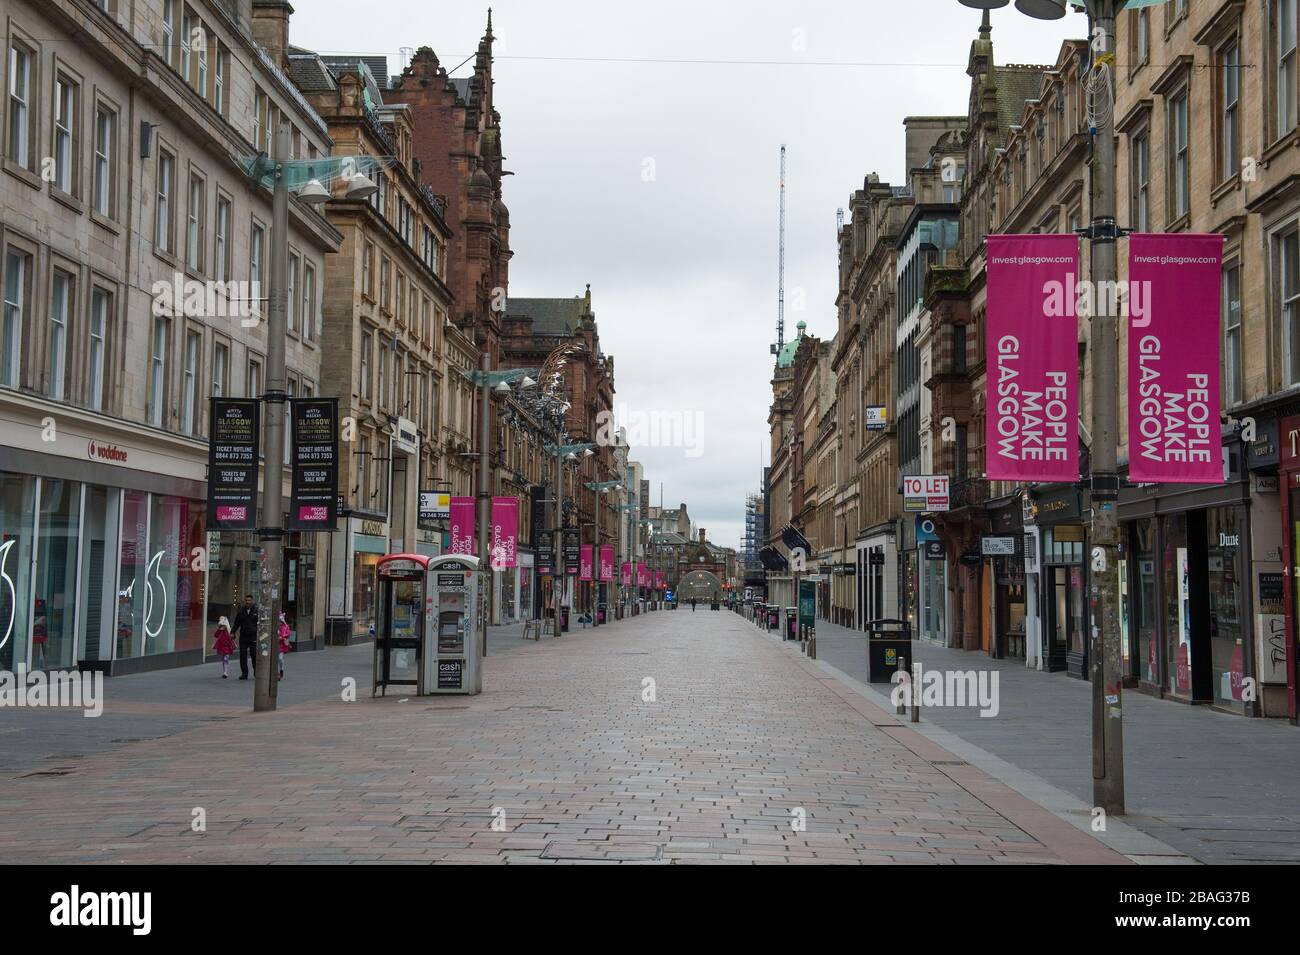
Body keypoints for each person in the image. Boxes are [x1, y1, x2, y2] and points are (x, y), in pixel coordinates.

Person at [232, 595, 258, 680]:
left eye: (249, 600)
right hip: (243, 636)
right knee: (243, 655)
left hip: (253, 636)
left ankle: (256, 672)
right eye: (246, 600)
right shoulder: (241, 611)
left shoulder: (256, 611)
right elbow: (236, 623)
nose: (248, 602)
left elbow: (261, 624)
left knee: (254, 654)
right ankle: (244, 673)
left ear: (252, 601)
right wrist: (232, 632)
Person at [277, 612, 291, 680]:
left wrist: (282, 637)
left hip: (281, 645)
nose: (279, 623)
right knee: (275, 660)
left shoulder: (286, 627)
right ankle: (276, 673)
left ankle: (281, 669)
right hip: (274, 645)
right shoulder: (275, 627)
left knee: (280, 658)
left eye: (280, 621)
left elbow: (288, 634)